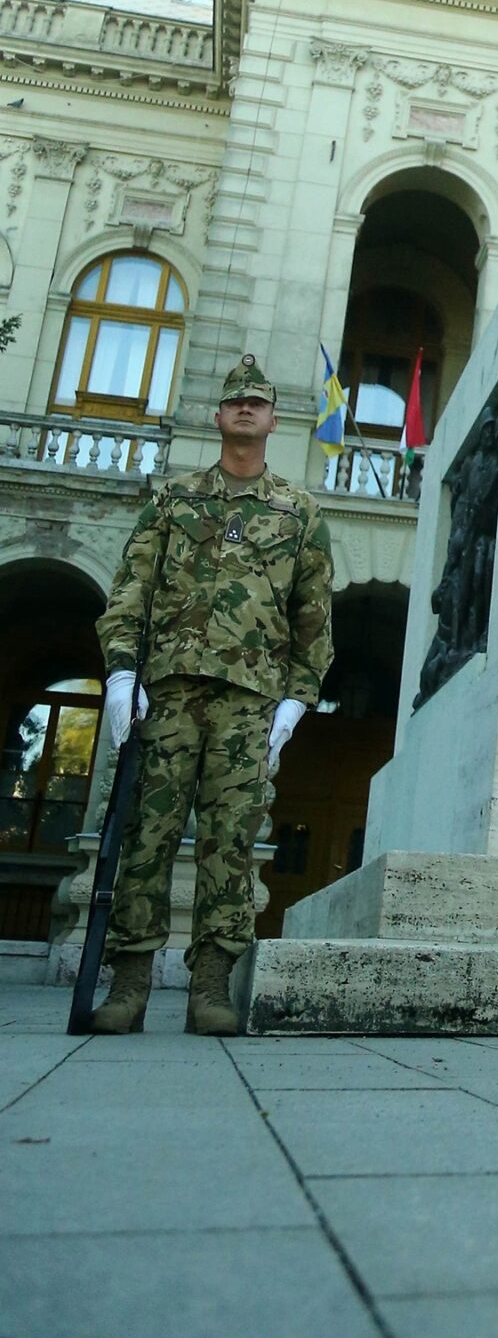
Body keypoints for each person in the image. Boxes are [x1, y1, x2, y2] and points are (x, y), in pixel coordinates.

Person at [90, 355, 334, 1035]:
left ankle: (211, 987)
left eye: (258, 402)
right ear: (218, 416)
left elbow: (314, 612)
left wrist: (296, 699)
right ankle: (130, 984)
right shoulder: (173, 500)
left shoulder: (298, 510)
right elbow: (131, 588)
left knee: (231, 842)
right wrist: (119, 672)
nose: (246, 411)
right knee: (148, 836)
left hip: (249, 700)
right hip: (167, 691)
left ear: (274, 420)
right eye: (236, 403)